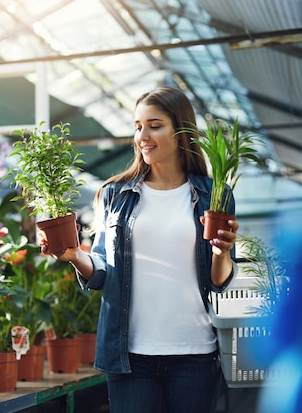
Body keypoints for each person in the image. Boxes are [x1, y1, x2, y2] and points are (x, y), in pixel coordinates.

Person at [41, 86, 238, 413]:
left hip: (196, 353)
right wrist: (75, 256)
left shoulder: (213, 195)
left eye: (155, 125)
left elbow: (220, 281)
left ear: (182, 131)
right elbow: (103, 269)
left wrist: (221, 253)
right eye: (137, 126)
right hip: (129, 357)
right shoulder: (115, 194)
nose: (142, 136)